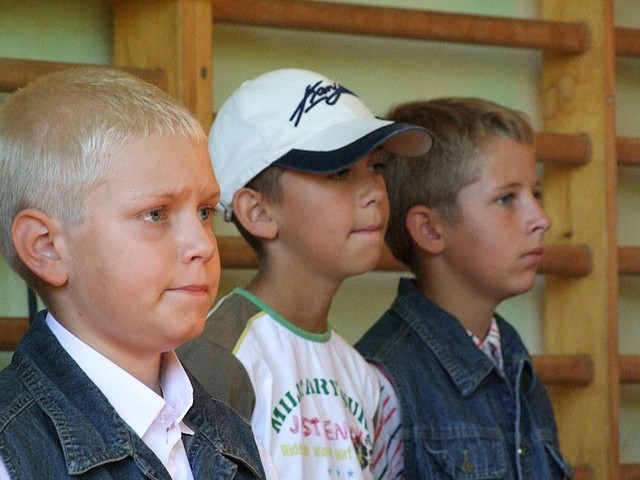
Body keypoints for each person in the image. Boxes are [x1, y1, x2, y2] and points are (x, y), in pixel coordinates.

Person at [0, 67, 266, 479]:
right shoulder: (12, 455)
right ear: (47, 248)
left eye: (204, 212)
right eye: (155, 214)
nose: (203, 245)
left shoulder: (235, 438)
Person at [177, 68, 433, 479]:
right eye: (339, 172)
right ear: (258, 211)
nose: (374, 192)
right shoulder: (219, 361)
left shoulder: (363, 377)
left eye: (377, 167)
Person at [356, 97, 574, 479]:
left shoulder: (515, 361)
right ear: (429, 229)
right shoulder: (383, 384)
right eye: (506, 199)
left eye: (536, 194)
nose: (542, 219)